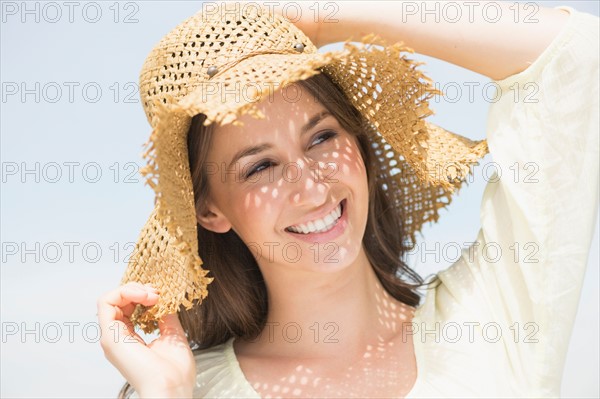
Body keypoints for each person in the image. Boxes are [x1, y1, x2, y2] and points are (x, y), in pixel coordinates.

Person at [97, 2, 599, 398]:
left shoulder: (493, 318)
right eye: (260, 167)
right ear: (210, 211)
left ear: (358, 140)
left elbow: (575, 58)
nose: (312, 186)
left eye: (321, 138)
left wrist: (325, 17)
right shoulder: (186, 388)